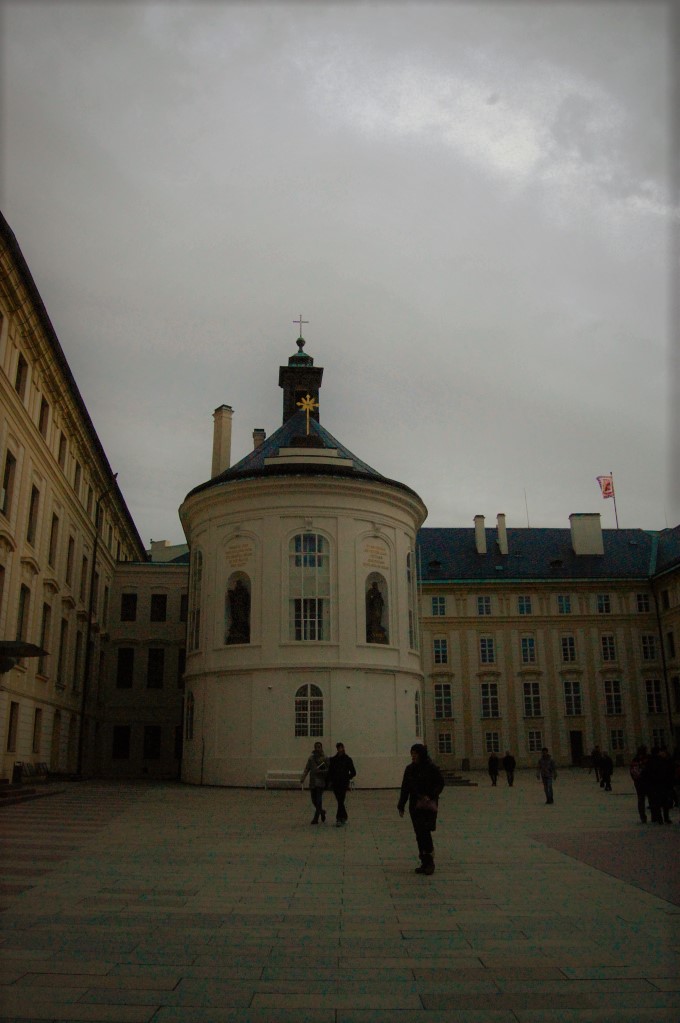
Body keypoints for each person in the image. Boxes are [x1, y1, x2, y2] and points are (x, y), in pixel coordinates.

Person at [397, 743, 445, 875]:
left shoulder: (431, 768)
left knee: (425, 831)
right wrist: (401, 805)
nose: (413, 756)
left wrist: (431, 795)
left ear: (421, 754)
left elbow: (440, 783)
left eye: (415, 753)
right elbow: (405, 788)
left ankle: (429, 861)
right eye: (412, 753)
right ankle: (424, 861)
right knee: (419, 833)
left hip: (428, 805)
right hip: (415, 805)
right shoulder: (410, 769)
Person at [327, 741, 356, 826]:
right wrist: (330, 781)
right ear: (337, 749)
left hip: (343, 783)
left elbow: (353, 772)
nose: (340, 749)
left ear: (343, 748)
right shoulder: (333, 760)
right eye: (339, 748)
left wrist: (347, 777)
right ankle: (344, 816)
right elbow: (330, 772)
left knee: (340, 800)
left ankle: (338, 818)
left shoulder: (348, 759)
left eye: (341, 747)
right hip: (335, 783)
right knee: (340, 801)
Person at [300, 741, 329, 824]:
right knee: (313, 800)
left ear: (321, 748)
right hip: (312, 782)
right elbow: (307, 769)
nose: (317, 748)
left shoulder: (325, 758)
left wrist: (321, 771)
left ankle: (316, 818)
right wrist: (303, 777)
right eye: (316, 747)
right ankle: (322, 811)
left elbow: (328, 769)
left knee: (319, 800)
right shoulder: (311, 758)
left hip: (320, 781)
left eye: (319, 747)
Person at [629, 745, 649, 823]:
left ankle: (643, 816)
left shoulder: (635, 760)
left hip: (639, 782)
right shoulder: (647, 759)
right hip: (645, 781)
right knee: (649, 798)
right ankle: (653, 815)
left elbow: (632, 772)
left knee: (641, 799)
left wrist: (635, 779)